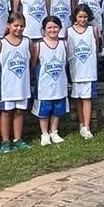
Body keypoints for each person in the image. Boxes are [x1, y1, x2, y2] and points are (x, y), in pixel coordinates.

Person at [0, 11, 31, 153]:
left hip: (22, 84)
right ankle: (5, 141)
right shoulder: (1, 43)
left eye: (22, 26)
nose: (19, 29)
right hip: (6, 85)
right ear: (8, 25)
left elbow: (31, 61)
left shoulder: (27, 42)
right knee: (6, 112)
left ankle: (17, 139)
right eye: (16, 25)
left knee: (19, 112)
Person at [33, 14, 69, 145]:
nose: (52, 30)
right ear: (44, 29)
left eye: (55, 27)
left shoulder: (64, 44)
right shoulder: (38, 45)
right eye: (49, 28)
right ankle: (44, 133)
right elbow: (33, 63)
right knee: (44, 110)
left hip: (59, 83)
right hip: (44, 84)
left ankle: (54, 131)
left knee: (57, 109)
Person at [67, 3, 99, 139]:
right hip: (76, 70)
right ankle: (81, 123)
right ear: (75, 17)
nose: (83, 19)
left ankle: (87, 125)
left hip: (89, 70)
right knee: (78, 99)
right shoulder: (69, 31)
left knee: (87, 99)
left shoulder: (93, 30)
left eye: (85, 17)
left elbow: (96, 49)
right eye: (80, 16)